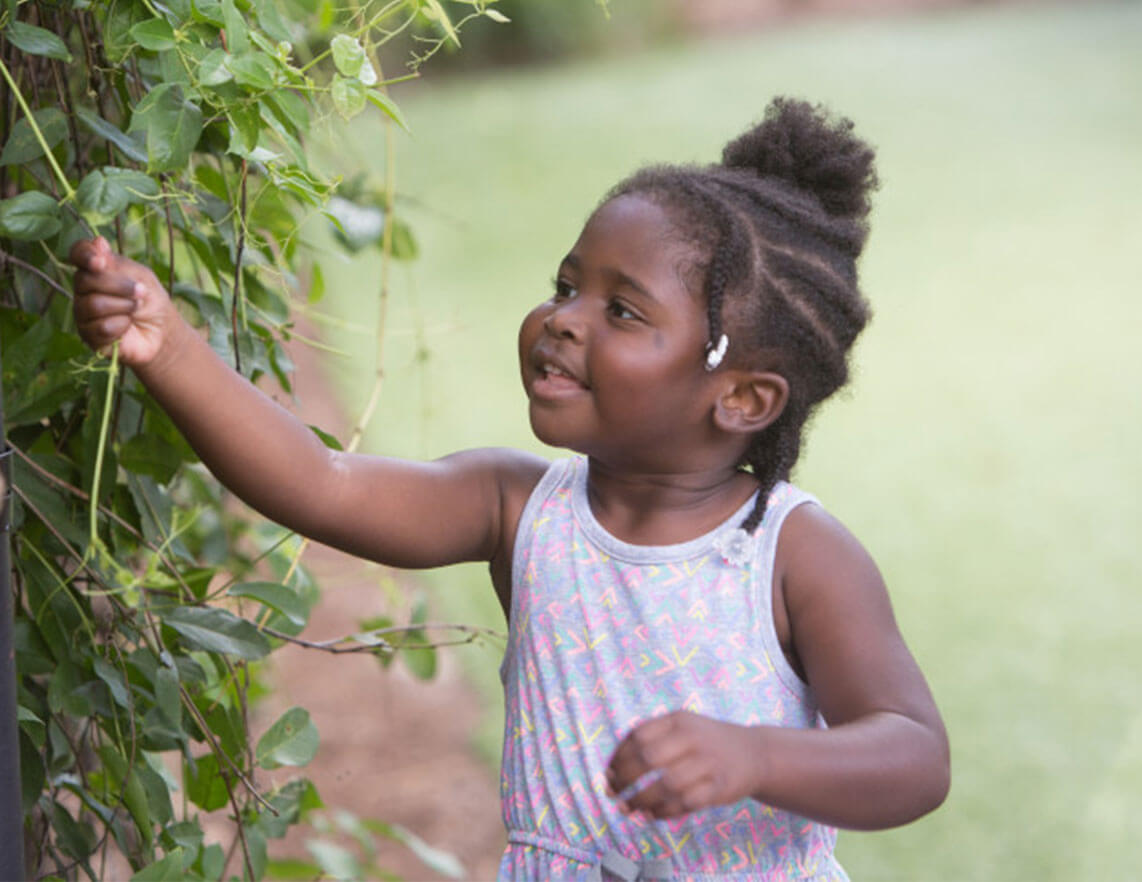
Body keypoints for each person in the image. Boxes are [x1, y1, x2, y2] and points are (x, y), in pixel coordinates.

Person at [72, 97, 949, 881]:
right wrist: (170, 347)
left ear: (743, 398)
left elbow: (913, 755)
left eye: (623, 310)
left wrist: (756, 758)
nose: (562, 319)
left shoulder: (792, 554)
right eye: (567, 286)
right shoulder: (517, 507)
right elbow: (318, 483)